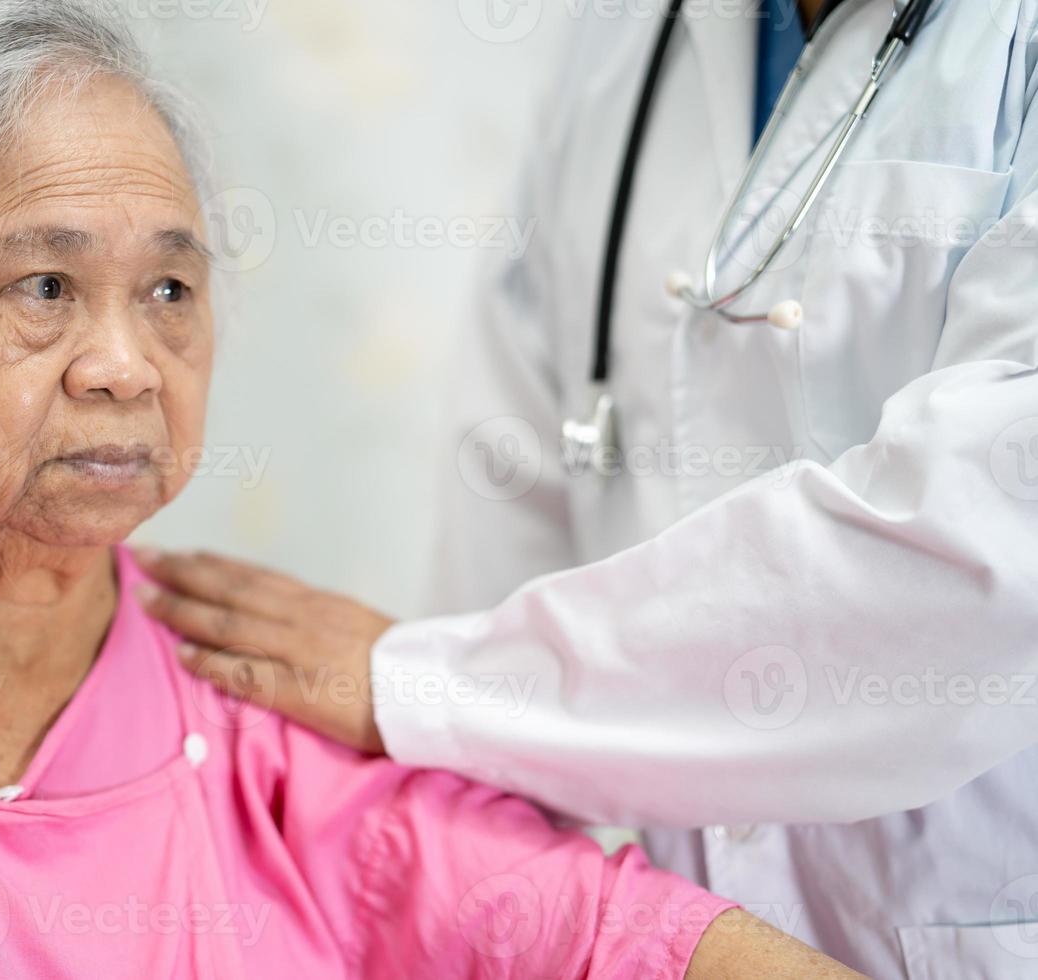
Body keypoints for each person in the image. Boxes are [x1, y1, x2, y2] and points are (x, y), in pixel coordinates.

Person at [0, 1, 867, 976]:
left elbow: (612, 939)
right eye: (44, 288)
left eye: (170, 291)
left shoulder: (255, 687)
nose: (128, 366)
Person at [134, 0, 1038, 976]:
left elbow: (981, 555)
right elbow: (513, 481)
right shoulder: (630, 39)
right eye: (45, 284)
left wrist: (437, 684)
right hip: (655, 917)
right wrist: (482, 802)